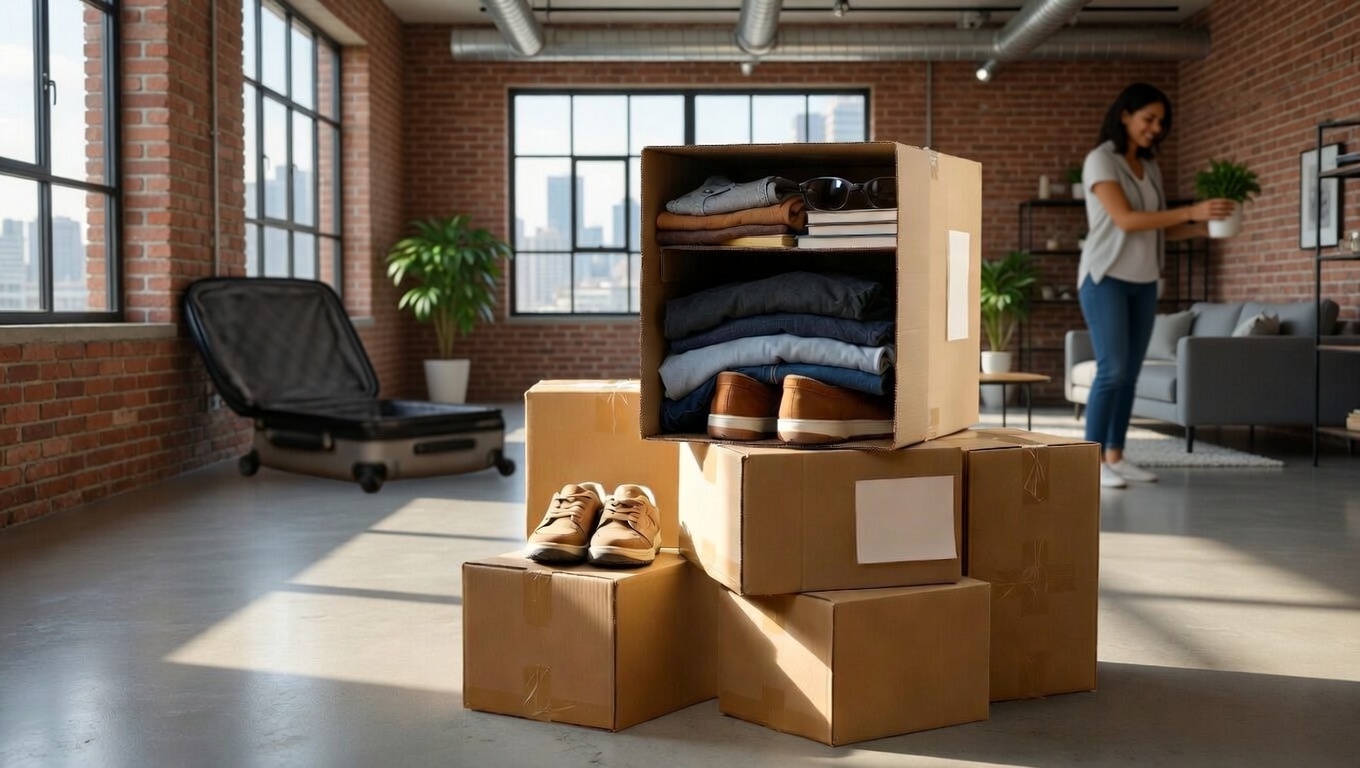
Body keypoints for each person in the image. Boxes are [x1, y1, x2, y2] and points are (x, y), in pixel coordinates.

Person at [1078, 83, 1235, 489]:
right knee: (1112, 370)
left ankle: (1116, 455)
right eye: (1149, 119)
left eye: (1161, 122)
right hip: (1105, 279)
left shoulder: (1150, 166)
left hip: (1144, 280)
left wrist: (1201, 227)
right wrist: (1191, 210)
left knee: (1130, 374)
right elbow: (1127, 220)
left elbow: (1157, 228)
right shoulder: (1101, 160)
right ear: (1125, 115)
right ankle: (1091, 462)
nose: (1156, 128)